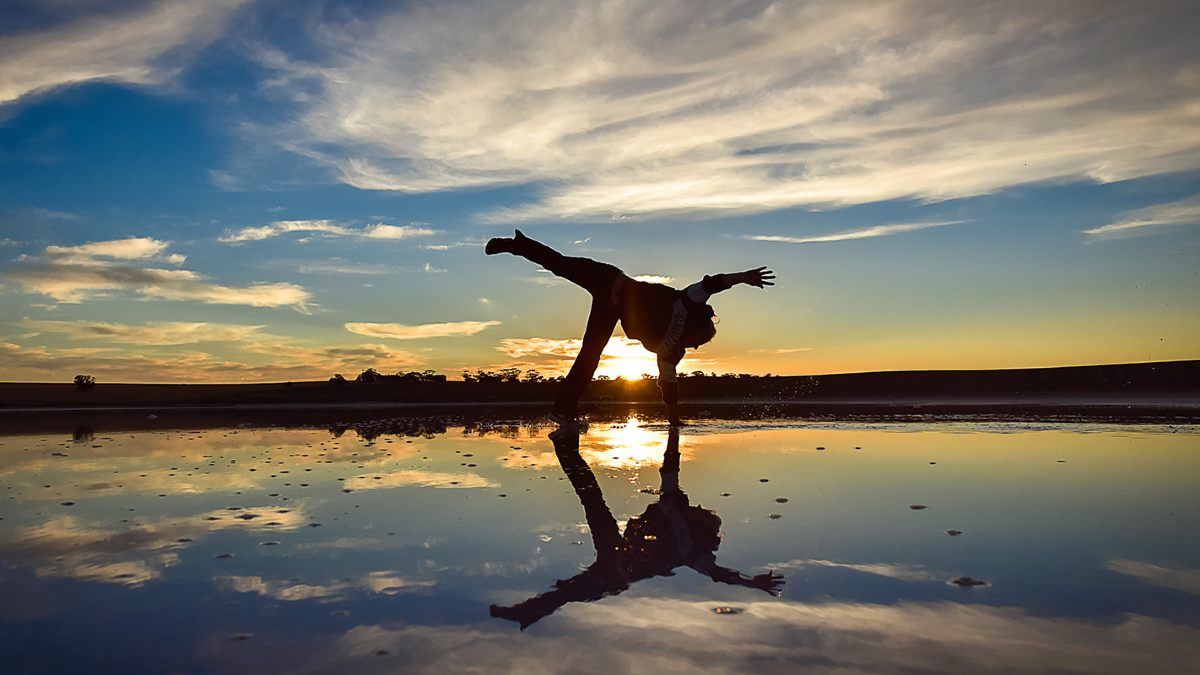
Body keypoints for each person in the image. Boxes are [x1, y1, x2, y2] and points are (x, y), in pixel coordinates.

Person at [490, 427, 783, 629]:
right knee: (591, 500)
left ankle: (531, 612)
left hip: (616, 572)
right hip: (618, 554)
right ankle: (567, 447)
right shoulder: (674, 503)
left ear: (701, 526)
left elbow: (720, 575)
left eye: (705, 515)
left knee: (590, 507)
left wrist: (751, 583)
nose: (700, 509)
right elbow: (670, 470)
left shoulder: (691, 553)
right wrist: (673, 435)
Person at [486, 230, 774, 425]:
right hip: (610, 280)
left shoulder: (671, 352)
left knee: (591, 353)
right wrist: (745, 277)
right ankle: (516, 245)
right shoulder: (684, 305)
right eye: (700, 340)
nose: (696, 346)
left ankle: (563, 409)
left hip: (612, 305)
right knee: (560, 265)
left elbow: (668, 385)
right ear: (696, 327)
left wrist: (675, 423)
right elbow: (712, 283)